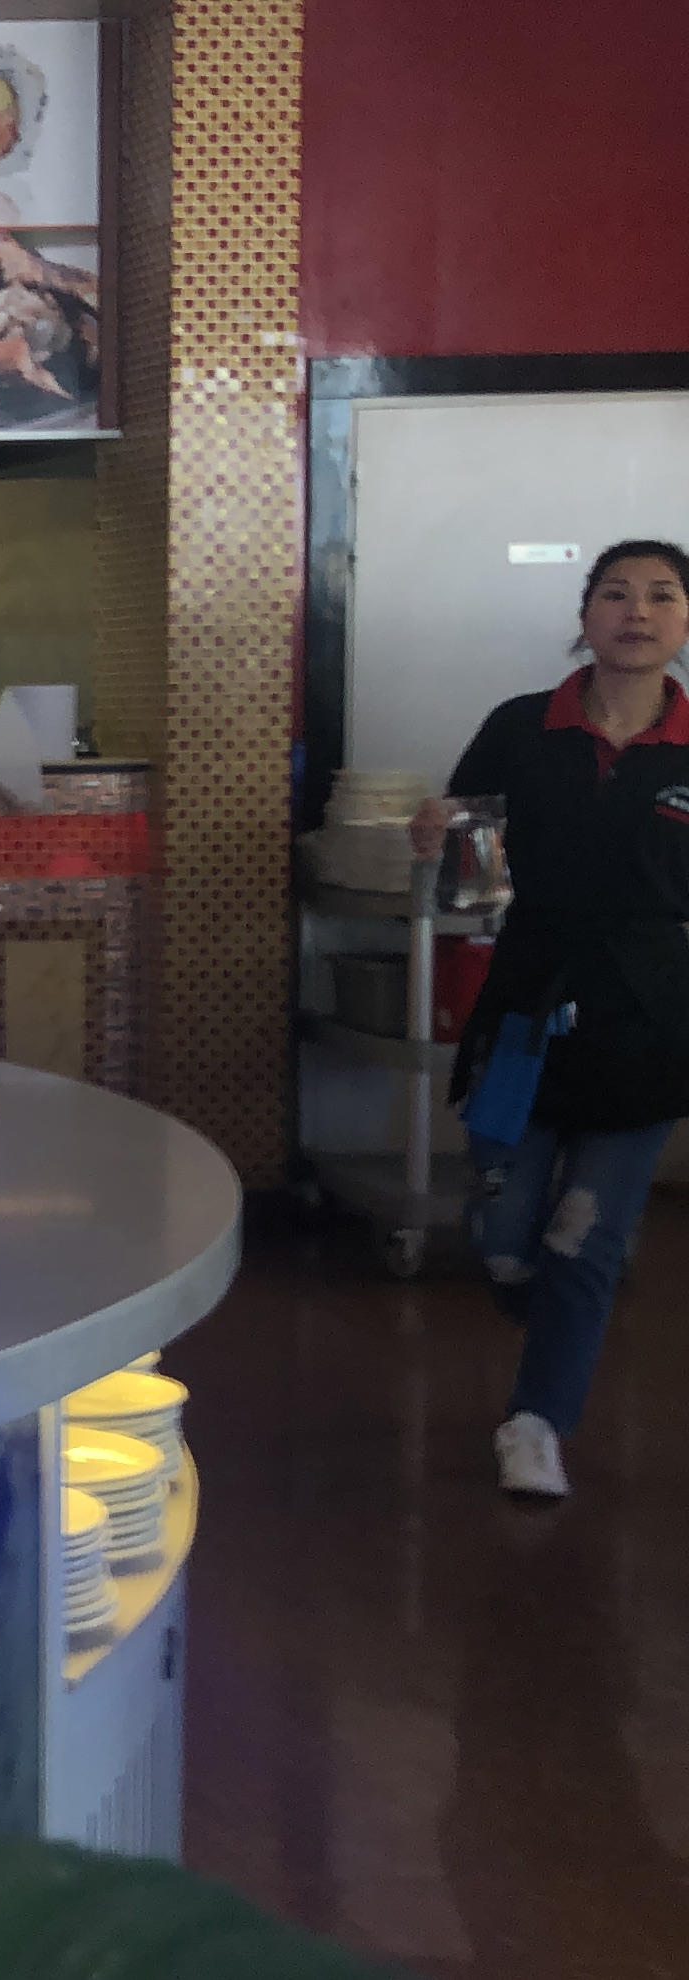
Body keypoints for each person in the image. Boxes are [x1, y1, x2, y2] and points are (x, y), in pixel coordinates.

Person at [410, 539, 689, 1498]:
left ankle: (536, 1423)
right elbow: (465, 838)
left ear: (684, 622)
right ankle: (547, 1306)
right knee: (501, 1230)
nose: (637, 611)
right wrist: (436, 829)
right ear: (584, 616)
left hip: (649, 1018)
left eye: (661, 595)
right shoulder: (522, 726)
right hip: (526, 1007)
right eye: (616, 593)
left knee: (584, 1237)